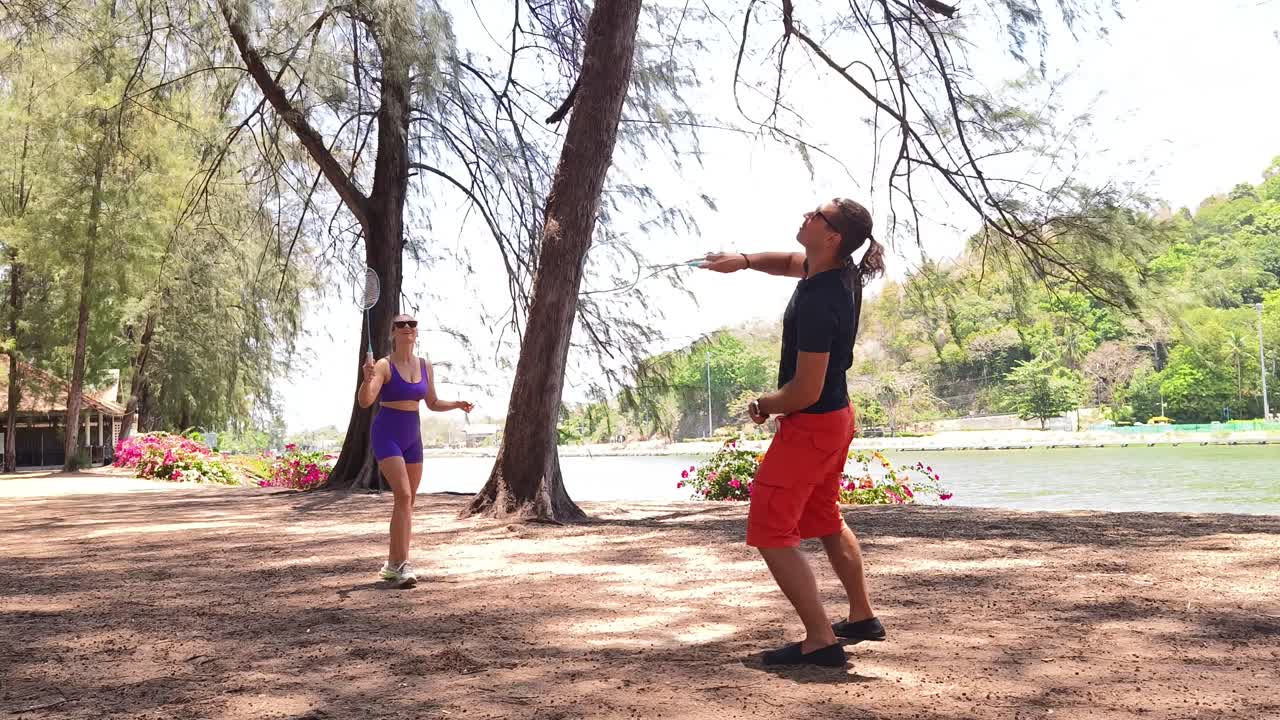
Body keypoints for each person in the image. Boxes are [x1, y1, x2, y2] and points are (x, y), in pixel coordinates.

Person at [701, 198, 887, 667]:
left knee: (770, 529)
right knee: (823, 517)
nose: (806, 214)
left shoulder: (821, 298)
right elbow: (787, 262)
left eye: (817, 214)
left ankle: (820, 640)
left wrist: (765, 404)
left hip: (813, 423)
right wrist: (741, 262)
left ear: (833, 236)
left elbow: (805, 390)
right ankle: (862, 617)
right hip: (836, 418)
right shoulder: (834, 271)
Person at [358, 313, 474, 588]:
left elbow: (431, 402)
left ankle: (392, 563)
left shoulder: (424, 365)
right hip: (387, 433)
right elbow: (366, 401)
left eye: (412, 324)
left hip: (413, 435)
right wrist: (367, 379)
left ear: (416, 331)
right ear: (393, 332)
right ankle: (401, 565)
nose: (407, 327)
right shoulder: (384, 366)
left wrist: (457, 403)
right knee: (403, 494)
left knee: (407, 503)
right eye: (400, 324)